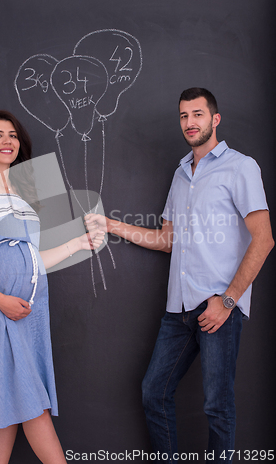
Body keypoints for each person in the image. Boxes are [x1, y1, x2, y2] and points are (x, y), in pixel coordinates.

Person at [85, 88, 274, 463]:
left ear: (214, 119)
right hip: (179, 307)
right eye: (184, 116)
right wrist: (109, 224)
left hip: (219, 305)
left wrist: (228, 300)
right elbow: (166, 240)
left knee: (217, 406)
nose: (190, 122)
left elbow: (264, 239)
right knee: (154, 392)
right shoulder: (180, 174)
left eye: (198, 115)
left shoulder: (240, 166)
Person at [0, 110, 105, 464]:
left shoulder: (25, 194)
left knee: (8, 406)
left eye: (13, 135)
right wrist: (1, 301)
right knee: (32, 404)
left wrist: (76, 245)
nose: (7, 141)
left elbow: (32, 260)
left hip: (28, 312)